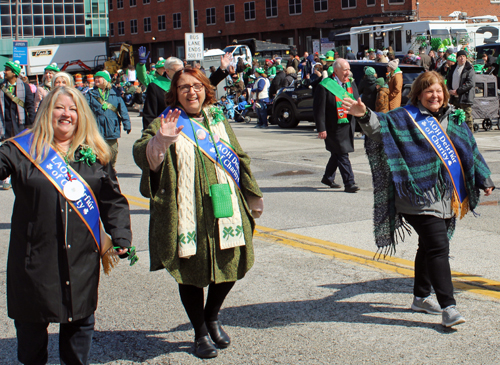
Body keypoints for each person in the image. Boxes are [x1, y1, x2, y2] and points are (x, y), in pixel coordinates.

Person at [342, 71, 494, 328]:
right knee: (438, 248)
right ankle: (449, 307)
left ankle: (420, 297)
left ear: (445, 94)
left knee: (429, 246)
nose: (434, 96)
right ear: (419, 95)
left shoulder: (454, 118)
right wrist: (363, 114)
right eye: (428, 91)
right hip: (416, 195)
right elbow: (380, 128)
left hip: (446, 196)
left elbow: (471, 150)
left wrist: (483, 177)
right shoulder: (404, 117)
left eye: (438, 91)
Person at [132, 68, 263, 359]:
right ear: (175, 93)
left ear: (206, 89)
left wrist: (252, 193)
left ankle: (212, 315)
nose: (192, 92)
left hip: (224, 204)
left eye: (197, 86)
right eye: (184, 88)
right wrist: (160, 142)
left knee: (233, 261)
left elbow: (238, 157)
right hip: (185, 211)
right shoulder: (166, 121)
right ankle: (200, 332)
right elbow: (142, 153)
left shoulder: (218, 118)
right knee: (190, 273)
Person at [0, 86, 133, 364]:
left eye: (73, 109)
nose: (66, 114)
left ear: (82, 115)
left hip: (81, 258)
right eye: (60, 107)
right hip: (34, 259)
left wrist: (120, 236)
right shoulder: (21, 150)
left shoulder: (95, 154)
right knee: (31, 333)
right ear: (47, 111)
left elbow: (113, 201)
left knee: (79, 326)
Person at [142, 49, 232, 130]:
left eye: (183, 69)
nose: (181, 73)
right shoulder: (156, 86)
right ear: (167, 71)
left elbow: (207, 84)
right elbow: (149, 114)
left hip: (189, 126)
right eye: (178, 71)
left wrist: (222, 68)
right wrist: (151, 134)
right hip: (168, 128)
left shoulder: (186, 80)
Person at [313, 58, 360, 193]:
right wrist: (321, 128)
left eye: (349, 69)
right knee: (342, 153)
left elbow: (356, 101)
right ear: (336, 71)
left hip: (347, 124)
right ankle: (349, 183)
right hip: (333, 126)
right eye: (345, 70)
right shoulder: (325, 85)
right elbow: (319, 109)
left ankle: (328, 178)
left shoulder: (350, 84)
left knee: (337, 153)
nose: (348, 73)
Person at [0, 60, 36, 189]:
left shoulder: (25, 87)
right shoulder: (1, 86)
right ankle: (6, 178)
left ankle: (22, 173)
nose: (5, 71)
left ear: (14, 73)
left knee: (22, 150)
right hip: (5, 125)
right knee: (6, 150)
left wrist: (31, 124)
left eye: (8, 70)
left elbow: (30, 106)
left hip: (21, 124)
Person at [85, 70, 131, 168]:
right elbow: (85, 110)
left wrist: (127, 124)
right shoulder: (91, 94)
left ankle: (111, 168)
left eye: (99, 77)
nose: (96, 79)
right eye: (95, 78)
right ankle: (100, 168)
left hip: (112, 126)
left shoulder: (115, 94)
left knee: (113, 150)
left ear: (106, 80)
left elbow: (123, 110)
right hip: (97, 127)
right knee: (97, 150)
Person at [446, 50, 475, 132]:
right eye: (460, 57)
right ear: (457, 58)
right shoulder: (454, 67)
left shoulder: (469, 68)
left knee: (467, 119)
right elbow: (449, 79)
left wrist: (458, 91)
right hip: (454, 98)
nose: (462, 58)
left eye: (464, 57)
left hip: (465, 98)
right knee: (455, 118)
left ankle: (470, 137)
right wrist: (450, 90)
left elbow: (470, 83)